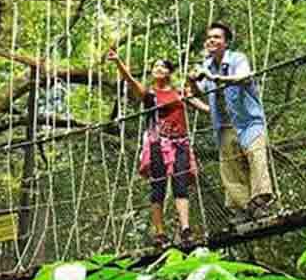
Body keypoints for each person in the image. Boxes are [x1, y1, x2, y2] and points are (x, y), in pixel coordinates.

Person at [108, 49, 208, 247]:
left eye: (163, 66)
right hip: (157, 143)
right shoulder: (150, 95)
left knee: (180, 184)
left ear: (169, 72)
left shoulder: (179, 93)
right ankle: (160, 232)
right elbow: (130, 82)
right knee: (158, 187)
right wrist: (118, 61)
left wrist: (214, 109)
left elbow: (199, 101)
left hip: (180, 142)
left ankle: (186, 228)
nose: (159, 69)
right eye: (155, 66)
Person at [190, 22, 273, 224]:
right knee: (230, 168)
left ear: (226, 43)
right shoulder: (207, 66)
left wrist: (215, 77)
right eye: (209, 37)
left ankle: (260, 202)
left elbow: (245, 77)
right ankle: (244, 208)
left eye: (217, 37)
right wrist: (192, 81)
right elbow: (200, 91)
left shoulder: (237, 59)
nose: (211, 40)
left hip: (249, 121)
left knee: (256, 157)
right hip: (224, 125)